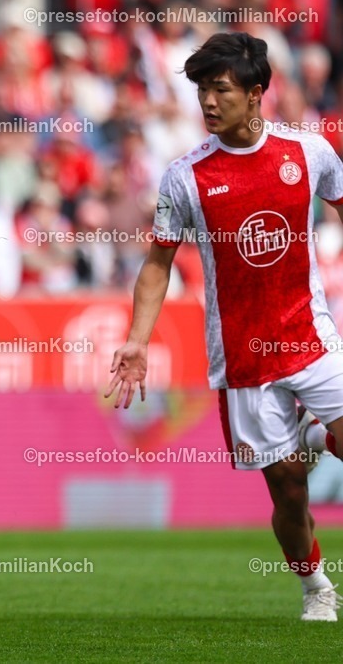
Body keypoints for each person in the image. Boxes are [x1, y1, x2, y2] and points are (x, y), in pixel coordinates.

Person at [106, 32, 343, 622]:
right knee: (288, 486)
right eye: (202, 92)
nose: (208, 103)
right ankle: (316, 586)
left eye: (220, 90)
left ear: (256, 93)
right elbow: (157, 263)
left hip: (312, 338)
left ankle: (318, 433)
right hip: (243, 359)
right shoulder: (185, 178)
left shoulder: (308, 153)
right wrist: (137, 339)